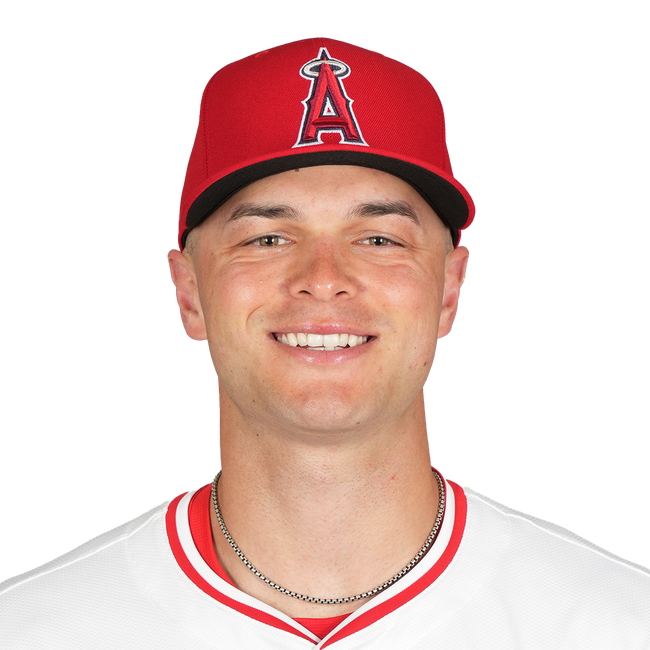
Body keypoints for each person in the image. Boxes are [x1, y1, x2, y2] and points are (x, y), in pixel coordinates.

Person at [1, 36, 648, 649]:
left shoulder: (618, 625)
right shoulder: (33, 631)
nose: (323, 279)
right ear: (189, 292)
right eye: (267, 238)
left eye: (379, 239)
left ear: (450, 289)